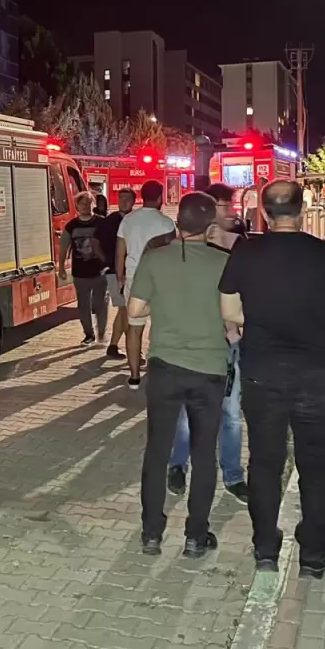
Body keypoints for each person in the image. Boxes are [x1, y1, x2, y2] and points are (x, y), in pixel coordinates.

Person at [220, 181, 325, 578]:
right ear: (303, 210)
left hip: (262, 372)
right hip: (317, 373)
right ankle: (313, 553)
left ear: (264, 212)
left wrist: (263, 319)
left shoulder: (245, 252)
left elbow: (230, 311)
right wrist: (316, 324)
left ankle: (265, 547)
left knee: (265, 461)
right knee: (315, 462)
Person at [133, 193, 231, 558]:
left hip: (165, 366)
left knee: (157, 450)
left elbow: (135, 310)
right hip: (209, 369)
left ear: (177, 221)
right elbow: (234, 314)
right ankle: (195, 536)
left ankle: (151, 533)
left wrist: (160, 306)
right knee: (204, 455)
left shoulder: (155, 259)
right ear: (210, 225)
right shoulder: (224, 262)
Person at [168, 184, 249, 505]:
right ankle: (178, 465)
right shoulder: (180, 245)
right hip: (190, 341)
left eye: (230, 205)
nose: (229, 212)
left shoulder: (238, 243)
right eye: (223, 206)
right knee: (187, 414)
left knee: (230, 414)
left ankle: (233, 475)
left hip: (226, 341)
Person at [117, 180, 176, 389]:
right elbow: (172, 255)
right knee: (161, 327)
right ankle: (159, 373)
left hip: (134, 278)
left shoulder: (128, 220)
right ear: (160, 197)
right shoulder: (166, 223)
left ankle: (134, 376)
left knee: (134, 328)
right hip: (161, 280)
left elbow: (120, 251)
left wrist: (120, 277)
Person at [59, 192, 106, 345]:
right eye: (82, 203)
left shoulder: (102, 223)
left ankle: (101, 333)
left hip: (100, 272)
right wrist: (61, 268)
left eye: (88, 203)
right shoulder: (71, 226)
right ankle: (89, 335)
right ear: (77, 206)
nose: (85, 206)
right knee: (83, 306)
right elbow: (63, 247)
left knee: (100, 304)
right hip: (80, 273)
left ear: (93, 204)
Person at [93, 187, 135, 359]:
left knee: (123, 310)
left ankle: (113, 346)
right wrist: (107, 261)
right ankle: (133, 349)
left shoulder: (134, 220)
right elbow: (95, 243)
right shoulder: (109, 221)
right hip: (115, 273)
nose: (124, 201)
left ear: (133, 201)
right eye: (121, 198)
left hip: (129, 271)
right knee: (126, 311)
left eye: (127, 198)